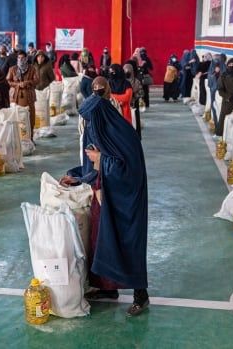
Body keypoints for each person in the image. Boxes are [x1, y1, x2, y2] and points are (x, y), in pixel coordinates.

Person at [60, 77, 149, 317]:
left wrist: (100, 161)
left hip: (126, 203)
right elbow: (96, 165)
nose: (88, 125)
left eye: (89, 120)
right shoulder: (103, 132)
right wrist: (77, 175)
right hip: (105, 196)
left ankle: (141, 294)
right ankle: (107, 288)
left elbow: (126, 169)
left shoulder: (123, 135)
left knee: (127, 243)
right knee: (100, 239)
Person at [7, 50, 39, 139]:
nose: (21, 60)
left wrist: (27, 82)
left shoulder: (32, 68)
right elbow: (8, 81)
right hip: (16, 97)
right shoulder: (12, 69)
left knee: (30, 117)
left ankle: (30, 138)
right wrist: (17, 84)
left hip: (29, 96)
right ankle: (17, 139)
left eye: (22, 58)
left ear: (26, 58)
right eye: (19, 58)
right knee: (17, 118)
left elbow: (37, 80)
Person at [215, 58, 233, 137]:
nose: (231, 66)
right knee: (224, 120)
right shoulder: (223, 76)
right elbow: (220, 90)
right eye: (230, 65)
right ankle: (222, 137)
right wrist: (228, 97)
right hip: (227, 102)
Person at [124, 63, 143, 138]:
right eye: (125, 70)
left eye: (128, 70)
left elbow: (141, 93)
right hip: (125, 104)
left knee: (135, 121)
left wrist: (134, 96)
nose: (127, 72)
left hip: (134, 104)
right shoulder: (122, 82)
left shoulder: (137, 81)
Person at [207, 55, 226, 127]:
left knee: (220, 109)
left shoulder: (224, 69)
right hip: (213, 92)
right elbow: (209, 81)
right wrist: (214, 73)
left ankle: (220, 127)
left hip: (222, 93)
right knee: (214, 107)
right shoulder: (211, 68)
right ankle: (216, 126)